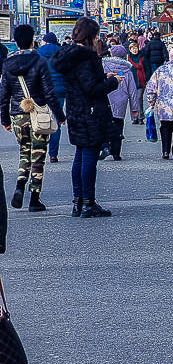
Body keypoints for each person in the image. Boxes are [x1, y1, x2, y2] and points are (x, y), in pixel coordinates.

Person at [51, 17, 121, 218]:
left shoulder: (68, 56)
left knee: (80, 155)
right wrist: (113, 82)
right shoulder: (86, 57)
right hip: (90, 111)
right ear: (91, 36)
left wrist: (103, 78)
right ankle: (88, 203)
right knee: (89, 156)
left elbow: (82, 82)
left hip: (75, 109)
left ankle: (78, 201)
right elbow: (92, 88)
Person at [0, 25, 67, 212]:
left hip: (18, 115)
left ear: (15, 42)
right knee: (38, 155)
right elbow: (49, 92)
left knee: (24, 151)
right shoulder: (39, 62)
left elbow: (4, 95)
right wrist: (60, 115)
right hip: (38, 114)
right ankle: (35, 199)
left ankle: (19, 187)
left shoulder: (7, 64)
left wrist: (5, 119)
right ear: (33, 41)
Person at [101, 45, 138, 161]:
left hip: (105, 99)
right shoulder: (127, 70)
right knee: (118, 125)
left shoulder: (103, 66)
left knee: (104, 124)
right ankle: (116, 153)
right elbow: (132, 91)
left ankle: (105, 146)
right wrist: (134, 108)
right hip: (121, 101)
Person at [37, 32, 65, 162]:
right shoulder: (62, 52)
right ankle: (53, 154)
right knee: (56, 120)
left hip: (43, 91)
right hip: (59, 91)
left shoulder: (38, 53)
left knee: (42, 120)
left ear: (45, 41)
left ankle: (40, 151)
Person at [126, 41, 147, 124]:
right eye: (133, 48)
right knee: (132, 100)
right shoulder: (127, 59)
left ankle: (140, 117)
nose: (135, 50)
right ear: (130, 50)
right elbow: (122, 70)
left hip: (140, 82)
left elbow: (147, 68)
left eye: (136, 48)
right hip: (131, 82)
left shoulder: (142, 57)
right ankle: (135, 118)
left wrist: (146, 77)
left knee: (139, 99)